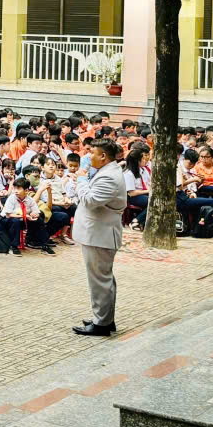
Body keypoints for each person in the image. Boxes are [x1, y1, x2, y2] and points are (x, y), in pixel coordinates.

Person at [71, 139, 127, 337]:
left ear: (103, 156)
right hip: (98, 233)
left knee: (100, 280)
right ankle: (104, 318)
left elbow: (90, 200)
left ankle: (101, 323)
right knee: (103, 278)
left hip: (99, 235)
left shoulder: (109, 176)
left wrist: (81, 180)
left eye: (92, 152)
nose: (89, 156)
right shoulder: (108, 171)